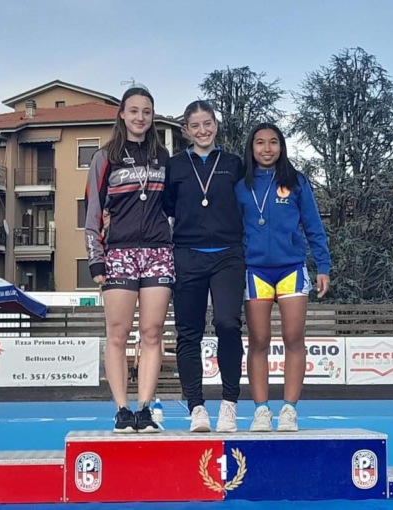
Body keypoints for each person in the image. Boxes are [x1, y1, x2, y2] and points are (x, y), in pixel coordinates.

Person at [84, 85, 173, 434]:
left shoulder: (163, 156)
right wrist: (96, 259)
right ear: (122, 114)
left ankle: (145, 408)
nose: (140, 117)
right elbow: (93, 211)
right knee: (118, 334)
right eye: (134, 111)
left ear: (152, 117)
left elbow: (173, 206)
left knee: (152, 333)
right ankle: (122, 409)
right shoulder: (104, 157)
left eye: (146, 112)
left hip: (158, 253)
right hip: (119, 252)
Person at [235, 123, 330, 433]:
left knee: (293, 338)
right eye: (260, 142)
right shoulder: (241, 186)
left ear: (281, 146)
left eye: (273, 142)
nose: (267, 148)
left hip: (291, 268)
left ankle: (289, 409)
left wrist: (323, 265)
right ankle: (261, 410)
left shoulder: (296, 181)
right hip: (255, 270)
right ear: (251, 148)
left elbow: (313, 226)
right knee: (259, 340)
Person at [163, 100, 246, 433]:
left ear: (216, 125)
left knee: (228, 323)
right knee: (188, 332)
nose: (202, 130)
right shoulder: (174, 166)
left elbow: (245, 204)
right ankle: (196, 407)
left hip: (228, 254)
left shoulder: (234, 163)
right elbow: (168, 206)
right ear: (186, 130)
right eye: (195, 125)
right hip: (188, 254)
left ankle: (229, 404)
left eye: (207, 123)